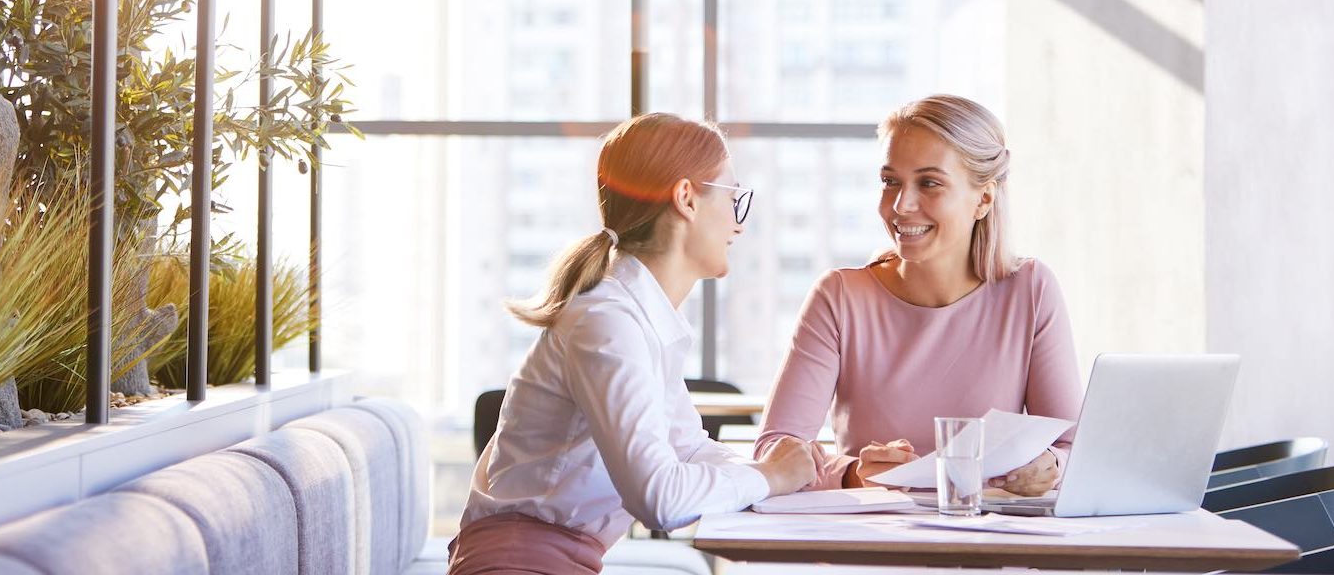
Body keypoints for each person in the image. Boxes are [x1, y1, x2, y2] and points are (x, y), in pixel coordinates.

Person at [448, 113, 813, 575]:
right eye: (733, 197)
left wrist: (801, 472)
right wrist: (769, 477)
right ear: (686, 199)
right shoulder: (608, 323)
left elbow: (689, 448)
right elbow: (659, 499)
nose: (738, 225)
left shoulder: (639, 319)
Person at [755, 94, 1082, 495]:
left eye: (929, 183)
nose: (900, 205)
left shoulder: (1030, 289)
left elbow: (1070, 447)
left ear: (984, 198)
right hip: (873, 545)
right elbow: (774, 451)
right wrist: (854, 474)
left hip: (990, 544)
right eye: (890, 181)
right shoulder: (839, 298)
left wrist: (1050, 465)